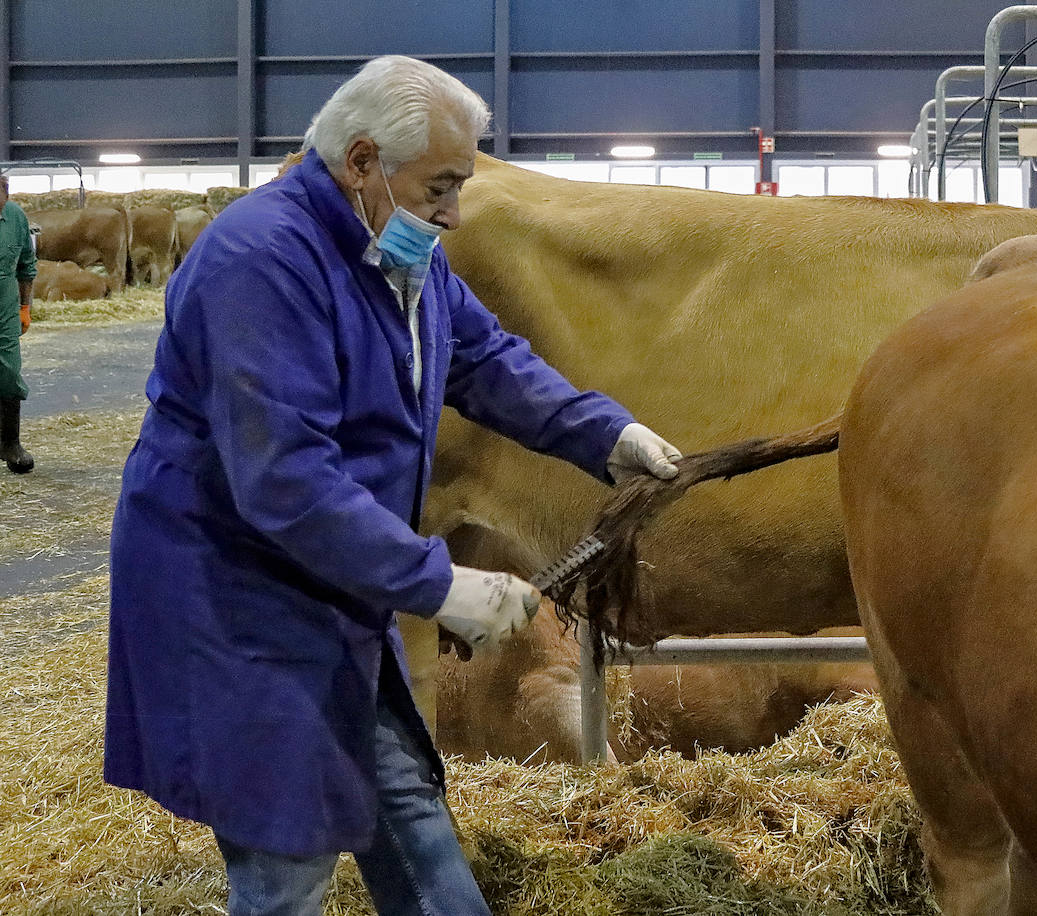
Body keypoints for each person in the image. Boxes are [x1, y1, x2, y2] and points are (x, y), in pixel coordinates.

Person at [104, 55, 681, 916]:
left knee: (403, 799)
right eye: (440, 187)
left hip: (335, 580)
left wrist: (606, 434)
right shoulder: (260, 261)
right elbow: (287, 482)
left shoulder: (400, 255)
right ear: (363, 162)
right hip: (238, 594)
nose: (454, 214)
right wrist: (440, 584)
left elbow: (486, 361)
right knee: (287, 859)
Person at [0, 173, 37, 474]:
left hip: (5, 308)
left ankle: (10, 443)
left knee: (10, 371)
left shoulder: (15, 216)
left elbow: (26, 264)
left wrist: (25, 307)